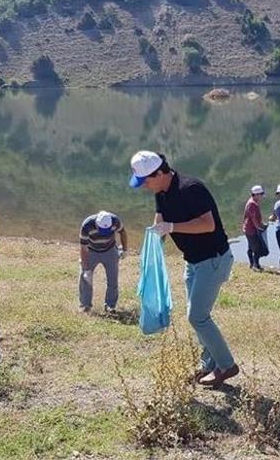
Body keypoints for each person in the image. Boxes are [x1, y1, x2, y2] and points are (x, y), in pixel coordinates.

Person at [130, 150, 239, 387]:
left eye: (146, 180)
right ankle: (208, 364)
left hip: (213, 260)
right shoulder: (162, 191)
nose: (145, 186)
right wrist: (156, 234)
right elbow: (160, 217)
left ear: (159, 173)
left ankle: (226, 365)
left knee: (197, 316)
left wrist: (172, 227)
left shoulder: (191, 189)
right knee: (197, 317)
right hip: (193, 261)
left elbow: (208, 225)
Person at [79, 210, 128, 314]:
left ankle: (110, 306)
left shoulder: (115, 221)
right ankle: (85, 305)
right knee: (85, 278)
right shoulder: (87, 225)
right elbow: (83, 248)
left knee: (113, 279)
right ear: (96, 224)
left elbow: (123, 232)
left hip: (110, 250)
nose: (104, 233)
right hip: (91, 251)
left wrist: (125, 249)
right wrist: (86, 266)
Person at [242, 185, 267, 271]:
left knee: (250, 246)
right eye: (260, 194)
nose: (261, 197)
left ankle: (252, 264)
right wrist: (258, 228)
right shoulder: (252, 204)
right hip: (251, 229)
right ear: (256, 194)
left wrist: (261, 224)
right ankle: (255, 265)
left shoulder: (252, 202)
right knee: (256, 248)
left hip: (248, 228)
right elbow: (253, 217)